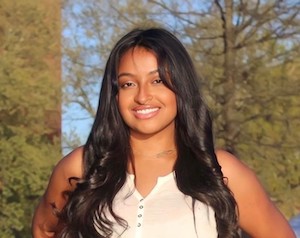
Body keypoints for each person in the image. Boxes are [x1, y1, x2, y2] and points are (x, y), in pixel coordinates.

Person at [32, 27, 296, 238]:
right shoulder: (81, 166)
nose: (143, 96)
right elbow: (44, 230)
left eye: (157, 80)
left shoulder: (221, 171)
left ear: (180, 86)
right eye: (128, 83)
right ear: (114, 94)